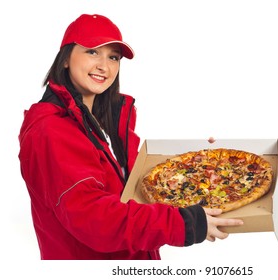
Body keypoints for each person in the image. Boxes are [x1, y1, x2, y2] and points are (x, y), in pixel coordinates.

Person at [18, 14, 243, 260]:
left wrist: (198, 165)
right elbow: (95, 219)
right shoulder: (51, 130)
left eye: (113, 57)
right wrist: (183, 224)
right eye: (92, 52)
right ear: (65, 59)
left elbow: (135, 187)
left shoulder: (105, 122)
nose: (104, 66)